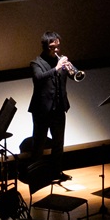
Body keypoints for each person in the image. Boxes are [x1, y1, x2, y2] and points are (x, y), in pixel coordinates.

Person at [28, 30, 76, 180]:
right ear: (45, 46)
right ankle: (35, 176)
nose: (56, 50)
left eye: (58, 47)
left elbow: (72, 77)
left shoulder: (60, 61)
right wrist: (56, 68)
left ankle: (57, 172)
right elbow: (39, 78)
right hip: (42, 110)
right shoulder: (36, 63)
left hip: (59, 109)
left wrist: (71, 69)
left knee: (58, 143)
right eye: (53, 47)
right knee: (39, 144)